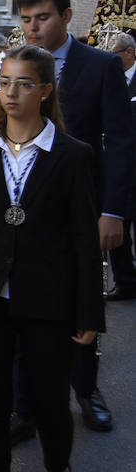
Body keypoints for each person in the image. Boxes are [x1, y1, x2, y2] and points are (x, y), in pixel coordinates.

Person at [0, 0, 134, 435]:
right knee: (21, 302)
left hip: (79, 208)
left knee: (79, 298)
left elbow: (120, 142)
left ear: (65, 16)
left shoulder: (100, 67)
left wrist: (113, 211)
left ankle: (85, 390)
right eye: (25, 19)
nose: (33, 28)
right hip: (22, 210)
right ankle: (26, 407)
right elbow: (4, 124)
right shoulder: (12, 66)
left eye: (42, 17)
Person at [0, 45, 104, 472]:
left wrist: (88, 311)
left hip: (48, 298)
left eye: (23, 84)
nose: (11, 93)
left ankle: (59, 465)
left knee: (49, 401)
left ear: (45, 90)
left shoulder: (73, 155)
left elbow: (83, 238)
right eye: (4, 83)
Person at [106, 32, 136, 301]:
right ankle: (125, 281)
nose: (110, 59)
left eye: (114, 53)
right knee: (119, 222)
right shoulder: (109, 79)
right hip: (120, 165)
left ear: (129, 53)